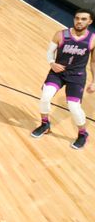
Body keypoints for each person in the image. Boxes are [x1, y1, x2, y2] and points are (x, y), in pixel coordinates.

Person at [31, 9, 95, 149]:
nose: (79, 21)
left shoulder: (93, 39)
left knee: (74, 107)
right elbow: (49, 53)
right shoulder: (61, 34)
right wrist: (52, 63)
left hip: (76, 76)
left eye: (83, 19)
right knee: (45, 97)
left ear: (90, 22)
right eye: (77, 18)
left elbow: (93, 62)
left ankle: (83, 134)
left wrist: (94, 81)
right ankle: (45, 124)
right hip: (57, 72)